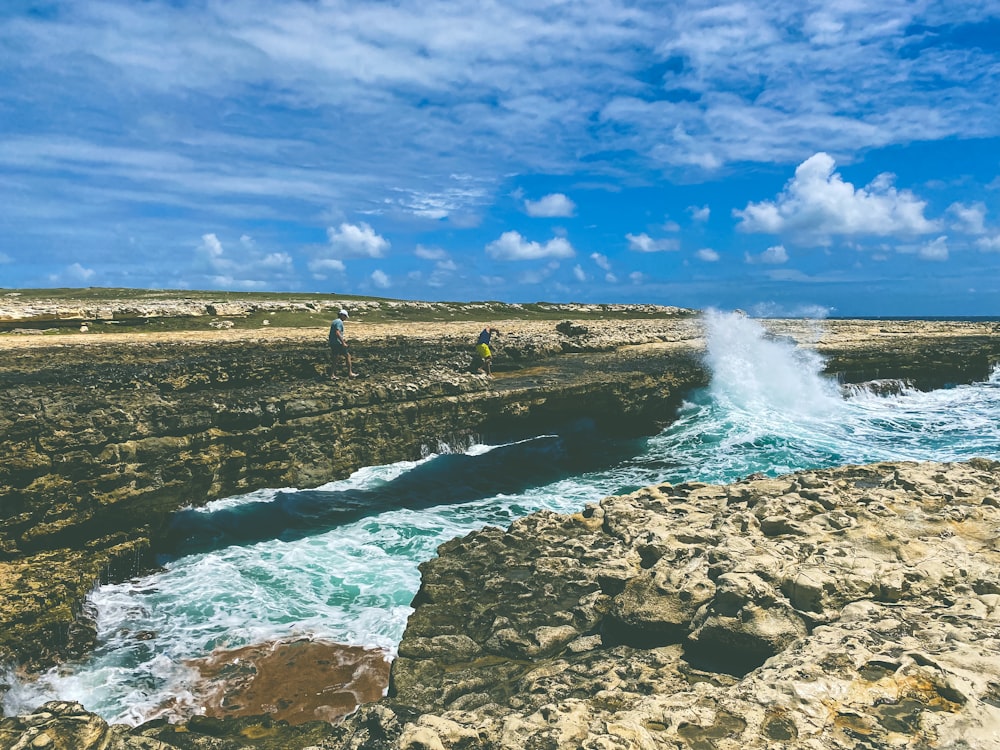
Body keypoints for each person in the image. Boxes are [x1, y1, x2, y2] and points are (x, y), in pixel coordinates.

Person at [328, 309, 358, 379]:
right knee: (347, 356)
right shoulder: (339, 322)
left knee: (335, 358)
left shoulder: (334, 321)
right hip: (338, 343)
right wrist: (343, 342)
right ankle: (350, 373)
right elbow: (337, 332)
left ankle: (332, 374)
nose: (345, 318)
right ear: (342, 315)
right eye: (345, 317)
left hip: (333, 342)